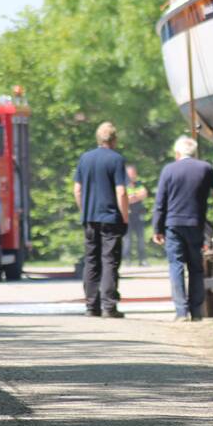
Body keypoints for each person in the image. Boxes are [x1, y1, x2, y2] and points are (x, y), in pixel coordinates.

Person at [152, 135, 213, 322]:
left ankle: (181, 312)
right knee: (196, 268)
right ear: (194, 153)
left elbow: (160, 202)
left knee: (176, 266)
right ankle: (196, 312)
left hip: (173, 226)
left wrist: (157, 228)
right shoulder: (203, 168)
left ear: (177, 153)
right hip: (195, 225)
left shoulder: (169, 170)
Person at [73, 122, 129, 318]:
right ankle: (109, 306)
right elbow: (121, 192)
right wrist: (125, 217)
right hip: (111, 218)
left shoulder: (85, 159)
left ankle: (91, 306)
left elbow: (77, 190)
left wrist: (85, 211)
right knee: (109, 261)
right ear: (114, 139)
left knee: (91, 261)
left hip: (90, 218)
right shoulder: (116, 160)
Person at [122, 165, 149, 266]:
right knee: (127, 239)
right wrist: (134, 197)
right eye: (129, 174)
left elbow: (144, 194)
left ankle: (142, 260)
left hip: (138, 214)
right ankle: (127, 260)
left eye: (133, 174)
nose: (132, 176)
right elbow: (123, 198)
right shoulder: (123, 185)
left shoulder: (139, 184)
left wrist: (133, 197)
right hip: (127, 215)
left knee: (141, 239)